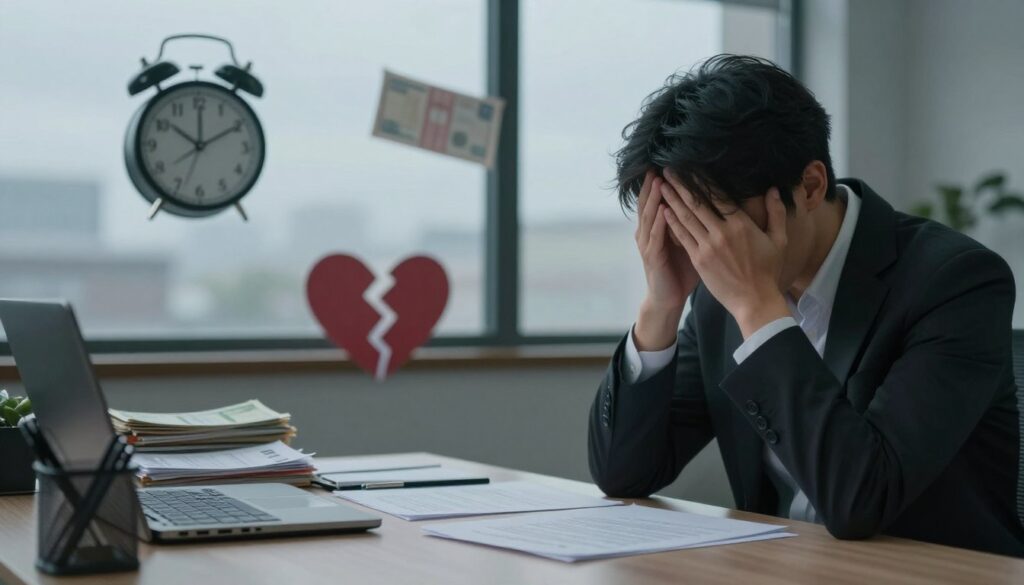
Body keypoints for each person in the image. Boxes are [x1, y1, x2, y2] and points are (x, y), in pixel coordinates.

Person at [587, 54, 1024, 557]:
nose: (702, 245)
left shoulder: (955, 282)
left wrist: (759, 310)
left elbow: (861, 500)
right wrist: (661, 306)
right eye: (679, 219)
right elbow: (624, 475)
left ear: (811, 186)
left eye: (711, 219)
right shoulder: (714, 294)